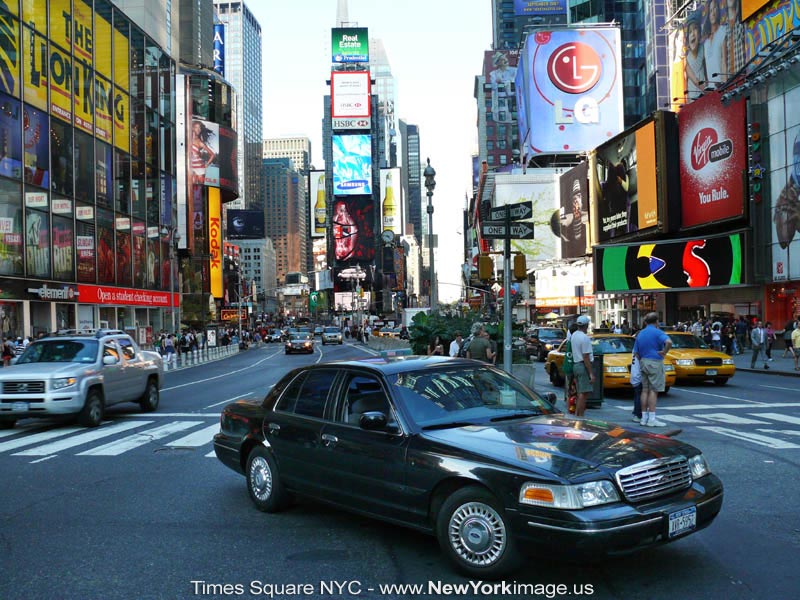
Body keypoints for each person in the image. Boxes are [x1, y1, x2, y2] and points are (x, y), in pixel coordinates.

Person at [632, 312, 672, 427]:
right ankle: (652, 419)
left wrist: (642, 360)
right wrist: (664, 352)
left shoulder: (640, 333)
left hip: (643, 361)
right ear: (656, 321)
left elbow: (636, 352)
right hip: (655, 361)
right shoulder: (658, 332)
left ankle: (643, 418)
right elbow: (669, 342)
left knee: (644, 390)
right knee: (654, 390)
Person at [570, 316, 594, 417]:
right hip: (582, 365)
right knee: (583, 394)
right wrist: (591, 373)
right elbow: (586, 356)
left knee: (580, 392)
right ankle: (580, 416)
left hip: (576, 365)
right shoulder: (584, 338)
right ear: (586, 325)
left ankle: (578, 414)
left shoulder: (574, 335)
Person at [190, 120, 216, 184]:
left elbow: (212, 154)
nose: (199, 129)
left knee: (199, 187)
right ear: (193, 128)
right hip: (190, 166)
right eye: (197, 127)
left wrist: (207, 164)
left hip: (199, 168)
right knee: (191, 185)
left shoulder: (200, 142)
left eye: (200, 128)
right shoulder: (187, 138)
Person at [630, 354, 643, 423]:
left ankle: (636, 413)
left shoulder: (636, 347)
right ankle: (638, 415)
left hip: (635, 374)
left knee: (637, 395)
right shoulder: (639, 348)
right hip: (638, 375)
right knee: (639, 395)